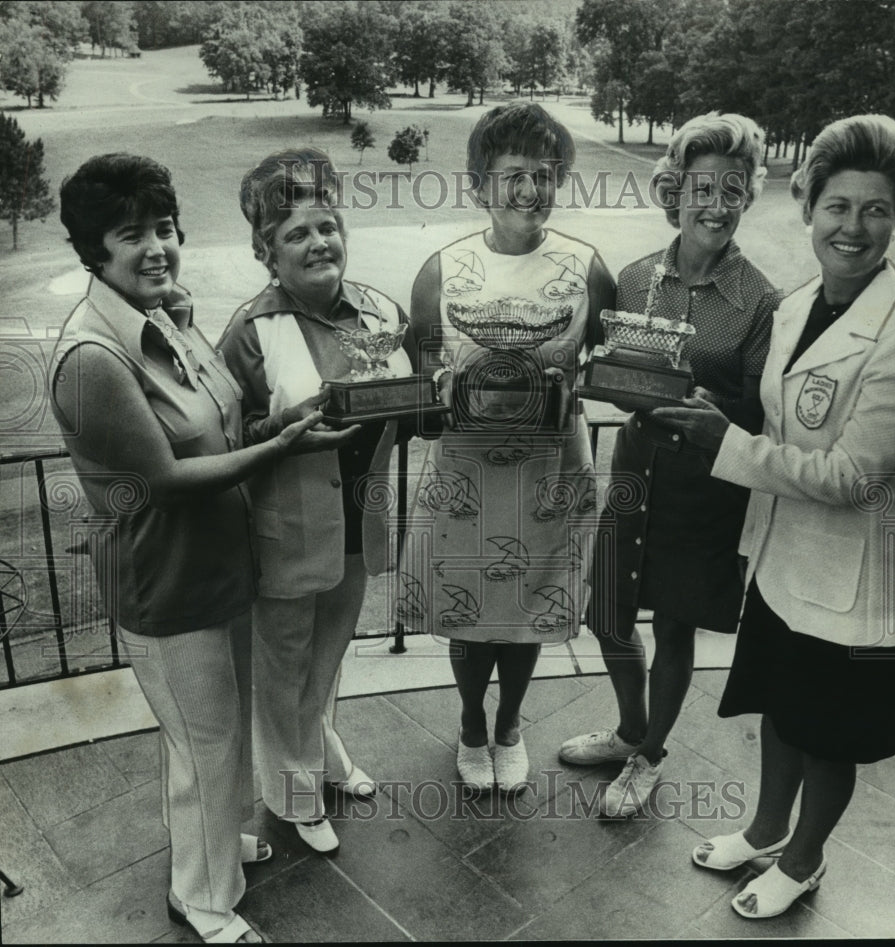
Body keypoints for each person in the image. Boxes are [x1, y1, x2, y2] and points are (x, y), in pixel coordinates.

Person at [50, 154, 355, 943]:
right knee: (205, 742)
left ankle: (220, 849)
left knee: (218, 733)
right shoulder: (91, 357)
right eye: (130, 234)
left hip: (223, 566)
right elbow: (165, 477)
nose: (156, 247)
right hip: (168, 580)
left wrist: (284, 420)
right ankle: (205, 899)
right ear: (93, 250)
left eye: (164, 228)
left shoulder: (168, 319)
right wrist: (283, 446)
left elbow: (222, 419)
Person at [657, 114, 895, 918]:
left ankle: (806, 859)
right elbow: (782, 425)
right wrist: (722, 411)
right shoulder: (798, 304)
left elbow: (854, 475)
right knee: (780, 706)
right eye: (838, 207)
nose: (853, 227)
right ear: (808, 206)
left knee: (828, 731)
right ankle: (763, 829)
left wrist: (729, 444)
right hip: (786, 557)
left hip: (854, 578)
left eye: (876, 209)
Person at [559, 112, 781, 818]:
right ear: (675, 192)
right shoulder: (631, 280)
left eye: (734, 190)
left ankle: (650, 752)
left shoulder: (760, 301)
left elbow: (758, 414)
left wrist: (714, 409)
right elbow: (607, 368)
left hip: (703, 487)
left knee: (676, 625)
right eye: (703, 188)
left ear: (748, 196)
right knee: (608, 612)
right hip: (635, 466)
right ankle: (630, 727)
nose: (717, 205)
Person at [396, 103, 616, 792]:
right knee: (470, 609)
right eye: (514, 174)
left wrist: (579, 383)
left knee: (529, 607)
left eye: (546, 175)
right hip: (467, 473)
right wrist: (444, 391)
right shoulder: (442, 269)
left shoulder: (587, 268)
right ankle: (469, 722)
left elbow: (611, 362)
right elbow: (419, 388)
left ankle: (511, 724)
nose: (531, 190)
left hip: (549, 469)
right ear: (480, 185)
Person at [219, 147, 415, 853]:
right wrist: (281, 428)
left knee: (327, 654)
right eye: (296, 233)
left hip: (360, 523)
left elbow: (408, 398)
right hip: (286, 531)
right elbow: (222, 439)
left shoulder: (380, 309)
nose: (318, 242)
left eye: (326, 225)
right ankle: (295, 795)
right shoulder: (250, 331)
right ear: (265, 251)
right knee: (285, 665)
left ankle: (321, 749)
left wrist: (439, 395)